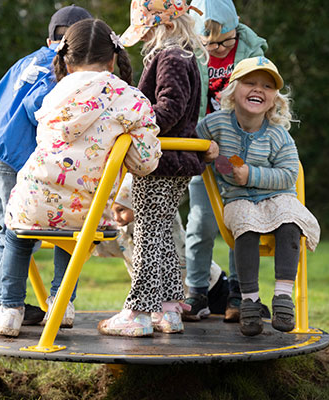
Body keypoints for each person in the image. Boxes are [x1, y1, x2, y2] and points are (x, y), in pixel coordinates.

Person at [0, 18, 162, 337]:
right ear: (112, 58)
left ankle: (9, 309)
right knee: (72, 235)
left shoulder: (54, 93)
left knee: (17, 234)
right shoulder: (132, 100)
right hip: (90, 210)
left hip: (34, 199)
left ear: (66, 59)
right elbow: (147, 162)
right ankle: (62, 303)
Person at [0, 5, 94, 325]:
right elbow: (39, 105)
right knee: (19, 231)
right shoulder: (58, 67)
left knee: (7, 229)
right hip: (16, 155)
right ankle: (0, 301)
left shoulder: (30, 59)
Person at [97, 0, 208, 337]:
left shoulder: (171, 57)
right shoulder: (185, 57)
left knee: (147, 232)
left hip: (160, 161)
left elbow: (170, 106)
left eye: (148, 33)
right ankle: (170, 308)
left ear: (168, 27)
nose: (145, 42)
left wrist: (134, 123)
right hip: (174, 161)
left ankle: (139, 311)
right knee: (160, 233)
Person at [198, 56, 320, 336]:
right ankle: (249, 301)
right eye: (250, 83)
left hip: (277, 197)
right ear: (232, 90)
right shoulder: (216, 124)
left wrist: (251, 175)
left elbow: (289, 174)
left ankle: (283, 297)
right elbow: (196, 141)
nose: (258, 89)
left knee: (291, 222)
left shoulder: (279, 135)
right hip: (238, 198)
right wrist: (206, 149)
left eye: (267, 86)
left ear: (275, 97)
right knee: (245, 226)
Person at [184, 0, 269, 323]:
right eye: (209, 44)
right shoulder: (191, 55)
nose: (217, 48)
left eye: (224, 41)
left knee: (240, 221)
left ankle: (238, 292)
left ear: (237, 28)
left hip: (239, 151)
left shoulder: (253, 53)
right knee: (201, 223)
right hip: (203, 150)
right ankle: (197, 293)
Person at [94, 173, 230, 315]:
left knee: (223, 318)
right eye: (112, 211)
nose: (116, 218)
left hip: (211, 286)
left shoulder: (162, 223)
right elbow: (103, 247)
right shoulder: (121, 234)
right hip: (177, 298)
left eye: (121, 210)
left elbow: (165, 211)